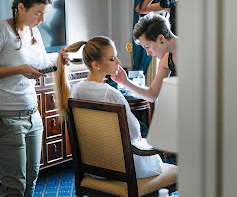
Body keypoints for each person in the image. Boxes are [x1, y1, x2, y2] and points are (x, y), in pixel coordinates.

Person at [54, 36, 162, 179]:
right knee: (143, 130)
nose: (118, 62)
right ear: (96, 65)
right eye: (112, 59)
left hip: (93, 167)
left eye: (116, 57)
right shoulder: (112, 94)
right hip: (121, 168)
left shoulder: (75, 91)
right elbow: (134, 132)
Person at [0, 0, 69, 197]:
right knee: (15, 185)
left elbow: (39, 62)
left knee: (32, 177)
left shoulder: (35, 32)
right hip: (9, 118)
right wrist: (19, 70)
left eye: (44, 14)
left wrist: (58, 58)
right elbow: (22, 66)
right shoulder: (3, 30)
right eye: (37, 13)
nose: (42, 19)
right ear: (21, 8)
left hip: (33, 115)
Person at [111, 13, 177, 103]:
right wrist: (125, 82)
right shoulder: (166, 61)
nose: (148, 53)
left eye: (147, 47)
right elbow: (152, 95)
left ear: (161, 39)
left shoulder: (194, 49)